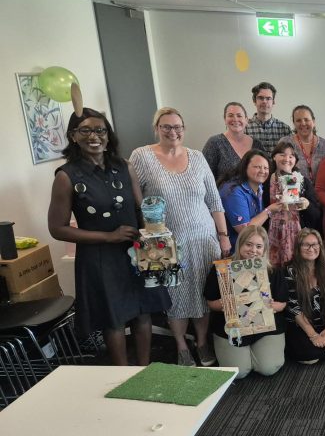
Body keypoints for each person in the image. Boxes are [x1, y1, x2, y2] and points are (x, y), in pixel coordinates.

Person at [48, 107, 170, 366]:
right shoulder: (67, 176)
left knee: (143, 312)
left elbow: (140, 208)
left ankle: (145, 369)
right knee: (114, 319)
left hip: (135, 252)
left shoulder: (125, 167)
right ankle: (122, 375)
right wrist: (108, 236)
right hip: (99, 257)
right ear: (73, 136)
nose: (94, 136)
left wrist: (154, 234)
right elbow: (57, 228)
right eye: (85, 131)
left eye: (100, 130)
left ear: (108, 134)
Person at [130, 107, 229, 367]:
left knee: (203, 294)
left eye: (177, 127)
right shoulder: (141, 156)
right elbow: (135, 200)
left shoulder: (197, 157)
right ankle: (181, 346)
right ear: (157, 129)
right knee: (174, 297)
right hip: (165, 243)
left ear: (184, 129)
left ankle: (203, 342)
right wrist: (145, 232)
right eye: (166, 126)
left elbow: (214, 201)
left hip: (204, 239)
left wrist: (223, 236)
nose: (172, 131)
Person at [204, 225, 287, 379]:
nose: (253, 250)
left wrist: (270, 306)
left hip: (265, 327)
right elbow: (211, 302)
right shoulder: (222, 269)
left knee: (268, 368)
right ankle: (246, 356)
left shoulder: (273, 270)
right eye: (249, 244)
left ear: (264, 249)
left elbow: (282, 303)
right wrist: (229, 303)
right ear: (240, 244)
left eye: (259, 246)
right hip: (232, 327)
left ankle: (255, 354)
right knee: (238, 372)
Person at [285, 228, 325, 364]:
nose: (311, 248)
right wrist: (313, 335)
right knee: (311, 358)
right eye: (306, 245)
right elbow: (294, 308)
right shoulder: (289, 271)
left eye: (315, 244)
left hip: (320, 320)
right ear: (298, 247)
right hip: (300, 323)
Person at [265, 141, 320, 267]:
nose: (287, 159)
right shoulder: (266, 181)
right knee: (275, 271)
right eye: (282, 155)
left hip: (298, 234)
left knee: (298, 269)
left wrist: (307, 205)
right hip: (272, 234)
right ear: (274, 157)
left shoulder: (303, 182)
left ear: (295, 160)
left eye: (291, 156)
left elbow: (316, 215)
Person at [219, 149, 282, 249]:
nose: (263, 171)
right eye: (257, 167)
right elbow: (245, 231)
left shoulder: (259, 186)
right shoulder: (233, 191)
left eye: (266, 168)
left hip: (250, 250)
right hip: (233, 251)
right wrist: (269, 211)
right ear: (245, 167)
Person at [202, 102, 264, 183]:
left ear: (246, 120)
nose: (235, 119)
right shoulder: (214, 143)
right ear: (225, 119)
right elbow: (204, 176)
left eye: (239, 116)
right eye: (230, 115)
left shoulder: (257, 144)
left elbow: (264, 173)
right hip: (221, 191)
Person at [283, 105, 325, 195]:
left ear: (313, 121)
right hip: (295, 196)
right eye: (298, 120)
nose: (303, 123)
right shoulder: (286, 143)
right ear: (294, 123)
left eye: (306, 119)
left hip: (322, 196)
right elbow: (281, 172)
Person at [244, 81, 292, 153]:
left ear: (273, 102)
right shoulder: (245, 128)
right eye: (260, 98)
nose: (264, 101)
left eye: (268, 98)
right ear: (254, 101)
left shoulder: (285, 129)